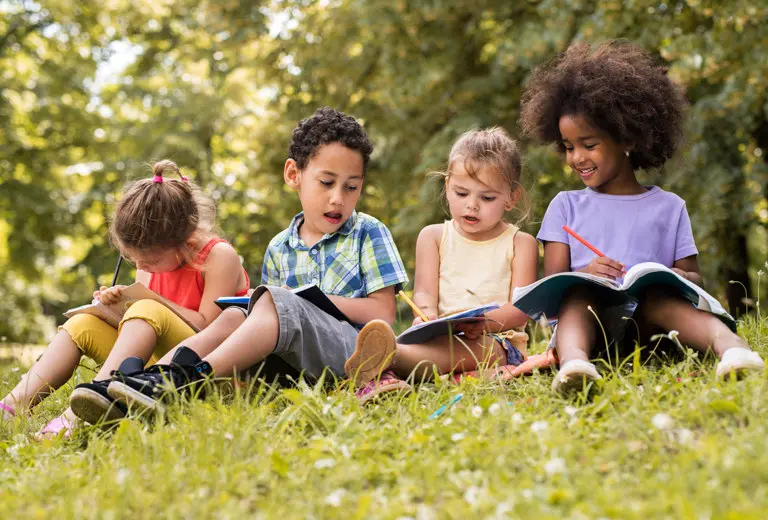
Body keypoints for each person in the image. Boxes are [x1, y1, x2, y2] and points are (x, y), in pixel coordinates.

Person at [103, 107, 409, 414]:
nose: (338, 198)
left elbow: (382, 312)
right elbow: (270, 322)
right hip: (291, 364)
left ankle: (189, 377)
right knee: (237, 313)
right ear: (294, 175)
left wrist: (305, 302)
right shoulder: (279, 246)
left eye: (351, 187)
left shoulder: (368, 232)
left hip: (353, 349)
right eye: (327, 183)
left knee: (277, 302)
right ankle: (151, 380)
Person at [518, 40, 765, 395]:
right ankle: (575, 367)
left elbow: (694, 277)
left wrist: (677, 276)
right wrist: (584, 274)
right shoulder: (565, 206)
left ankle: (734, 350)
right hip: (592, 332)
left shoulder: (669, 207)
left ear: (627, 138)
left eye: (589, 144)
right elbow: (552, 285)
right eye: (569, 147)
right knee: (575, 296)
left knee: (658, 298)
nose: (576, 158)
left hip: (653, 331)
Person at [0, 161, 250, 437]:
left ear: (187, 243)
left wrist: (150, 303)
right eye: (133, 259)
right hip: (149, 365)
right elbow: (142, 319)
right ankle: (13, 405)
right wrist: (114, 307)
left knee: (146, 307)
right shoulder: (151, 265)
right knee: (82, 324)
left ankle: (78, 413)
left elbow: (209, 329)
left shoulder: (219, 257)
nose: (141, 267)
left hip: (201, 369)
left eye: (150, 260)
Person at [344, 127, 539, 402]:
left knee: (475, 351)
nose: (472, 205)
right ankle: (388, 369)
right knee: (432, 347)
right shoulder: (433, 237)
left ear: (511, 198)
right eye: (461, 193)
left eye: (487, 198)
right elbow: (424, 293)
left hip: (497, 342)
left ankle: (389, 359)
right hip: (439, 335)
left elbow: (520, 310)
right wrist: (426, 315)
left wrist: (485, 324)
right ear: (447, 186)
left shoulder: (521, 243)